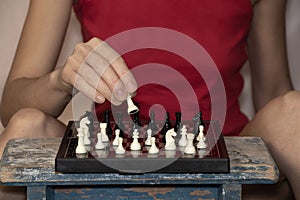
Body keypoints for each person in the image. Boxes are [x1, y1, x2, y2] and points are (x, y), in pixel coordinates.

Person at [0, 0, 297, 199]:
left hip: (222, 155)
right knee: (24, 126)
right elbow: (13, 105)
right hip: (103, 159)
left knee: (294, 113)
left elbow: (275, 93)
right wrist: (61, 79)